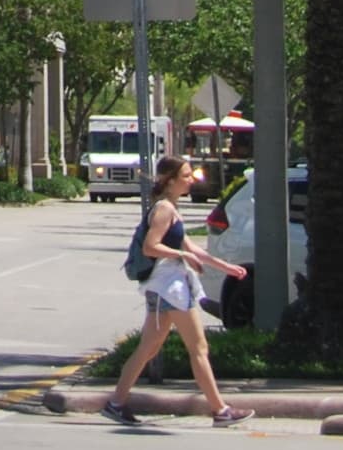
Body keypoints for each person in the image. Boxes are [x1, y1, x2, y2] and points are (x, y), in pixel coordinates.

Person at [103, 151, 248, 426]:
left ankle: (116, 403)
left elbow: (191, 248)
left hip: (167, 288)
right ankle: (220, 411)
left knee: (148, 348)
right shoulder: (163, 210)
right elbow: (150, 246)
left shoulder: (170, 208)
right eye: (185, 175)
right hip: (170, 288)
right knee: (198, 347)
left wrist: (227, 267)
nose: (191, 179)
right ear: (169, 181)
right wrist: (183, 257)